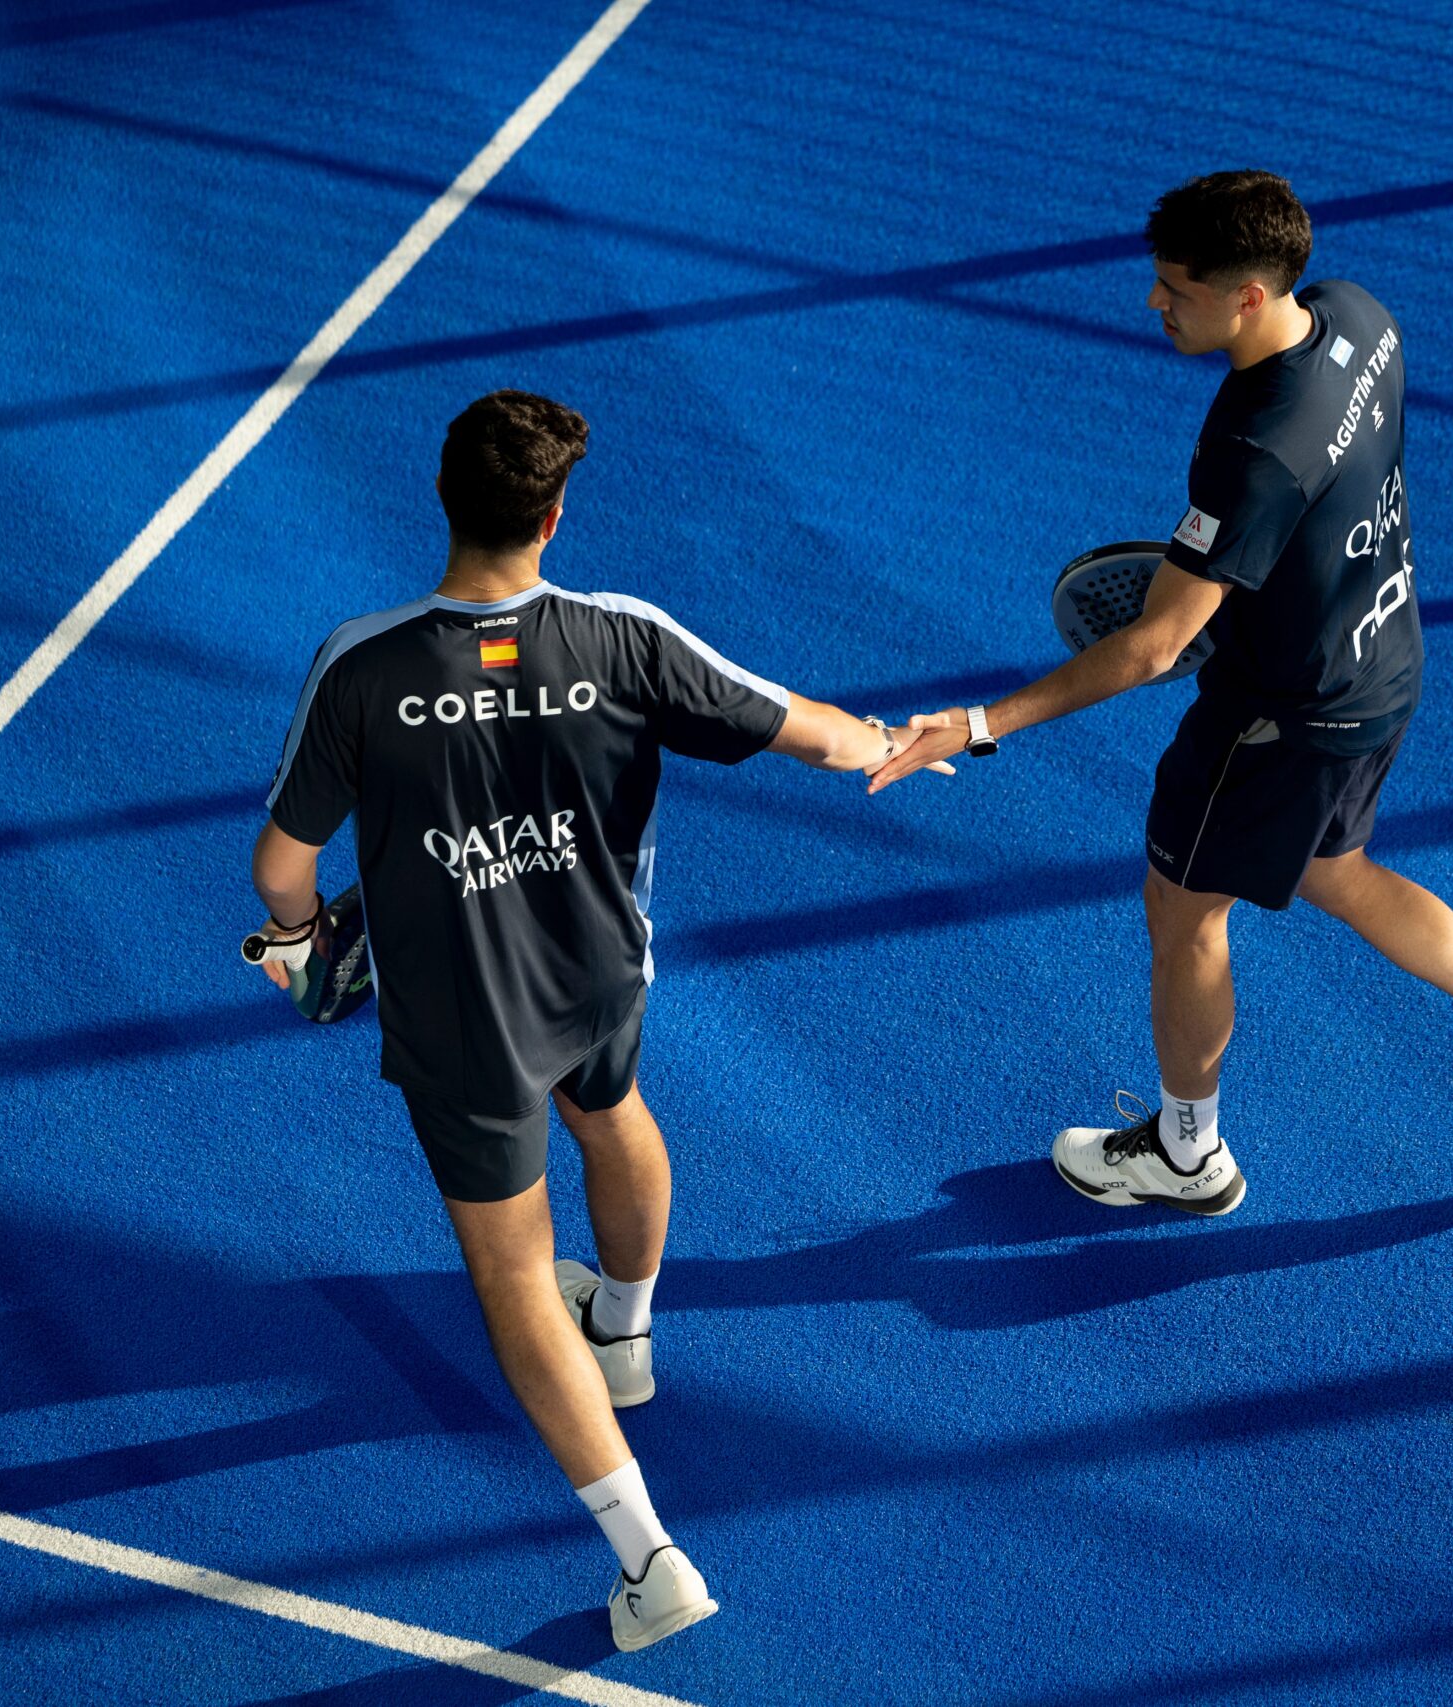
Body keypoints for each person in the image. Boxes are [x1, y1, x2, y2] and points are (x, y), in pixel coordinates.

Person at [245, 390, 944, 1653]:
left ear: (444, 497)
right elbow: (815, 735)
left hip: (465, 1024)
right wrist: (895, 741)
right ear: (554, 518)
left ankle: (650, 1559)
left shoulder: (364, 665)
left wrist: (304, 945)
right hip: (600, 975)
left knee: (515, 1277)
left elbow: (281, 870)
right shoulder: (623, 637)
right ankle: (623, 1330)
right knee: (611, 1110)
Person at [870, 171, 1453, 1212]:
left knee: (1183, 912)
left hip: (1281, 717)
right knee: (1336, 872)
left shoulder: (1254, 453)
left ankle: (1188, 1154)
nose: (1154, 302)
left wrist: (977, 723)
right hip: (1379, 664)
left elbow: (1153, 645)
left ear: (1249, 296)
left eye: (1176, 288)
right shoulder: (1360, 318)